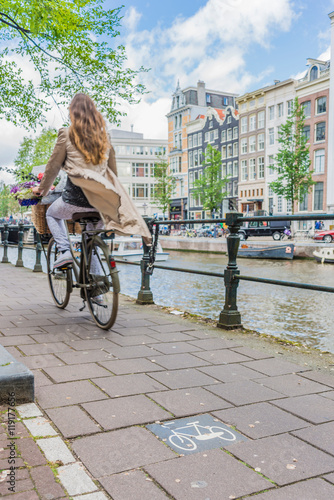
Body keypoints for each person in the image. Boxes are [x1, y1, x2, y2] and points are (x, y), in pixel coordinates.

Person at [33, 93, 151, 269]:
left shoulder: (66, 134)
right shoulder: (105, 138)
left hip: (74, 200)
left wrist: (41, 189)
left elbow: (53, 167)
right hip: (102, 204)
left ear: (72, 113)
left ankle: (65, 251)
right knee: (90, 242)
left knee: (51, 214)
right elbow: (113, 173)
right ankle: (97, 296)